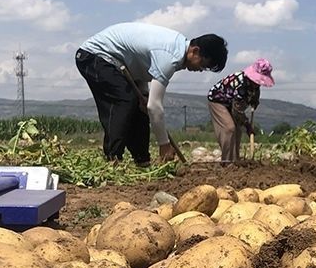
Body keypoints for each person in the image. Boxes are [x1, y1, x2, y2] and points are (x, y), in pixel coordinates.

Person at [75, 22, 228, 165]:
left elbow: (139, 67)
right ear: (195, 51)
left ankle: (142, 160)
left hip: (119, 63)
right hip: (94, 56)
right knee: (124, 101)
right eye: (203, 64)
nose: (201, 70)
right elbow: (155, 107)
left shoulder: (177, 48)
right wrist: (164, 144)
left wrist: (143, 94)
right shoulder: (170, 57)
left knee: (139, 107)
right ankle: (112, 159)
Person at [207, 58, 275, 163]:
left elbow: (254, 95)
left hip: (231, 103)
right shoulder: (241, 84)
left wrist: (254, 101)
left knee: (238, 131)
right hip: (218, 100)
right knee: (229, 128)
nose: (258, 83)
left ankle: (235, 160)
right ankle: (226, 162)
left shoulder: (254, 85)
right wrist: (248, 126)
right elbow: (237, 111)